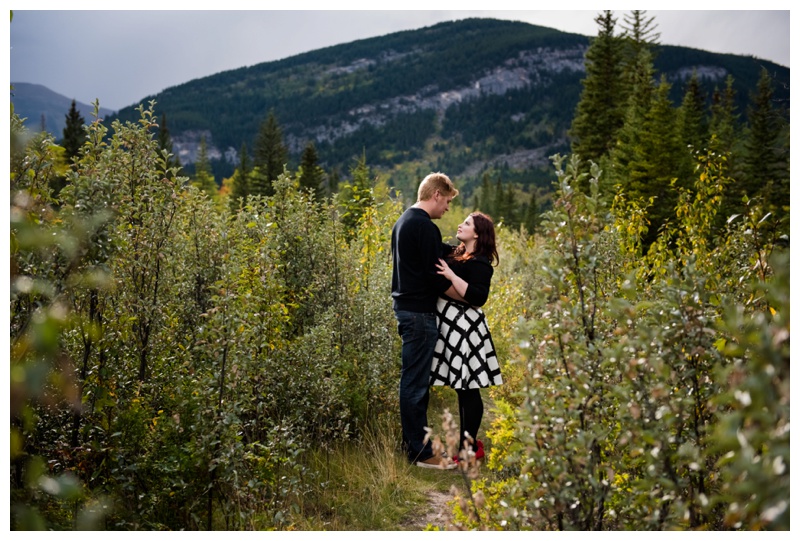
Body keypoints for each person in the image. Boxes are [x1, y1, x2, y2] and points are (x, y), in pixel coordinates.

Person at [391, 172, 459, 469]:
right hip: (419, 313)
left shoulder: (404, 222)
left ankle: (413, 442)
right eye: (446, 201)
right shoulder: (425, 226)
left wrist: (461, 251)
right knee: (416, 384)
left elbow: (432, 254)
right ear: (436, 195)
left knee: (413, 381)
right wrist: (466, 295)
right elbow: (435, 275)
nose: (447, 208)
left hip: (406, 309)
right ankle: (420, 451)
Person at [431, 211, 502, 463]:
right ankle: (470, 446)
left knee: (468, 387)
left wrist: (451, 277)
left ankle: (469, 448)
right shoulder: (455, 252)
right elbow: (430, 242)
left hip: (465, 328)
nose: (460, 225)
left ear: (477, 233)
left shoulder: (480, 262)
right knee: (462, 388)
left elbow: (478, 298)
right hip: (451, 325)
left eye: (467, 223)